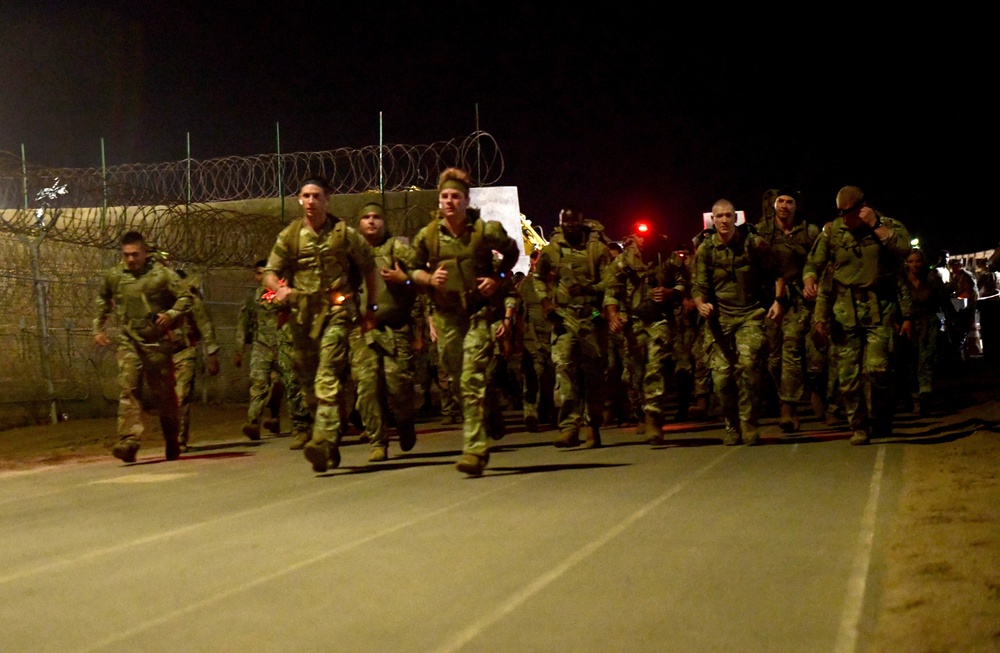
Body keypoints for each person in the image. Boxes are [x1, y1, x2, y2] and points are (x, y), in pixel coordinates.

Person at [409, 167, 520, 476]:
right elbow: (411, 270)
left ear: (466, 200)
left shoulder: (485, 231)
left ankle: (475, 449)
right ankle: (490, 410)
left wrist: (497, 278)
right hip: (446, 319)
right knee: (458, 381)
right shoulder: (428, 235)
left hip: (477, 315)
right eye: (444, 196)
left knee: (471, 378)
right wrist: (430, 278)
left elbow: (512, 252)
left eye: (455, 196)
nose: (449, 201)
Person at [263, 176, 378, 473]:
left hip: (337, 312)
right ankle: (331, 440)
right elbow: (270, 273)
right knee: (308, 385)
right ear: (299, 200)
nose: (311, 201)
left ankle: (323, 440)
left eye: (316, 196)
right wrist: (279, 289)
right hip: (303, 317)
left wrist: (371, 309)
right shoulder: (290, 236)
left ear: (328, 199)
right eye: (306, 196)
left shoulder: (343, 234)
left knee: (327, 373)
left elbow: (369, 268)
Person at [803, 186, 912, 445]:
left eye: (848, 212)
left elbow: (905, 249)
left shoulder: (886, 225)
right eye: (840, 212)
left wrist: (877, 227)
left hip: (879, 309)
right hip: (844, 311)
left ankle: (881, 416)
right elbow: (813, 262)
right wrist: (809, 278)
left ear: (862, 207)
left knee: (878, 370)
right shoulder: (833, 232)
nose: (844, 217)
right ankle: (859, 426)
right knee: (848, 377)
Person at [94, 231, 193, 462]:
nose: (130, 259)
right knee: (128, 388)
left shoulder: (162, 275)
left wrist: (171, 314)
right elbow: (102, 299)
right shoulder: (115, 275)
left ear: (144, 252)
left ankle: (171, 438)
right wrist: (98, 328)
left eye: (135, 254)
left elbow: (185, 297)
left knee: (164, 396)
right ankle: (129, 440)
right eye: (126, 254)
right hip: (129, 340)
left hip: (157, 342)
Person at [692, 199, 783, 445]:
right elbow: (698, 285)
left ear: (736, 218)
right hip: (719, 319)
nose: (723, 220)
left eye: (728, 216)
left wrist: (777, 301)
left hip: (750, 315)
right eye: (719, 216)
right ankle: (731, 425)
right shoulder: (706, 250)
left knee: (749, 366)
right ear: (713, 219)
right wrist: (701, 304)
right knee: (721, 379)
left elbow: (777, 273)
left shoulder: (753, 243)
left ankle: (749, 422)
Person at [534, 206, 618, 449]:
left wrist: (591, 291)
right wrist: (545, 300)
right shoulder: (552, 250)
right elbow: (538, 278)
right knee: (564, 369)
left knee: (594, 374)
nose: (570, 225)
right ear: (560, 222)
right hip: (563, 316)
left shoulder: (597, 250)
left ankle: (592, 426)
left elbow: (611, 283)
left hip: (591, 316)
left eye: (575, 221)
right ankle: (569, 426)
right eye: (565, 221)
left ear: (583, 223)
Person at [352, 201, 420, 462]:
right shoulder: (353, 253)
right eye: (366, 217)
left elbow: (421, 274)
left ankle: (405, 421)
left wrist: (404, 279)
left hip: (395, 328)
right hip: (364, 331)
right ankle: (377, 442)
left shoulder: (396, 248)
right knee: (367, 388)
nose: (371, 221)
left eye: (377, 217)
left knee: (398, 386)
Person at [606, 230, 688, 443]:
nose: (643, 241)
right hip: (632, 322)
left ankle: (654, 416)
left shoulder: (667, 256)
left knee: (656, 366)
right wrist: (613, 315)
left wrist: (671, 293)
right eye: (639, 237)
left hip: (659, 320)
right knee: (635, 373)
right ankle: (640, 412)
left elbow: (684, 283)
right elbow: (611, 291)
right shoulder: (624, 260)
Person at [756, 188, 823, 431]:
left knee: (792, 348)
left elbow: (821, 261)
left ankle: (789, 408)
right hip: (769, 299)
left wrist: (812, 282)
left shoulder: (809, 232)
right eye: (780, 201)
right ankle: (787, 393)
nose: (784, 205)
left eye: (789, 202)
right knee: (773, 358)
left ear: (796, 205)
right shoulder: (761, 232)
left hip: (798, 299)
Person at [235, 260, 284, 441]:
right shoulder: (252, 298)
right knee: (258, 383)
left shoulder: (283, 294)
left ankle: (275, 416)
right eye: (260, 273)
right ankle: (253, 421)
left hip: (281, 345)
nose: (263, 277)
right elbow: (243, 323)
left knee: (278, 383)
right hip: (261, 345)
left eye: (267, 273)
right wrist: (239, 349)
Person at [172, 270, 221, 452]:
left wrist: (211, 354)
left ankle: (179, 438)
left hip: (185, 352)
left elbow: (205, 325)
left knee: (181, 396)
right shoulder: (156, 299)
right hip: (162, 354)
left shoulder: (191, 300)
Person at [901, 249, 948, 415]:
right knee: (909, 363)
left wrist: (951, 321)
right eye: (911, 261)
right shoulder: (901, 282)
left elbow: (944, 300)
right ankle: (912, 397)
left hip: (929, 323)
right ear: (906, 263)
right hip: (907, 326)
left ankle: (925, 396)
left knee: (926, 360)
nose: (915, 264)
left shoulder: (932, 278)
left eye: (918, 261)